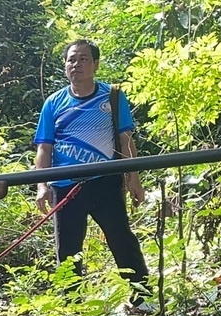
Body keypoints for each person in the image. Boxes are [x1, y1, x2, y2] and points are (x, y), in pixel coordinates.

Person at [35, 39, 149, 299]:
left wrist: (134, 180)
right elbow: (44, 147)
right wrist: (42, 186)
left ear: (95, 64)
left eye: (83, 59)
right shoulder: (53, 103)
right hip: (65, 185)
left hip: (105, 181)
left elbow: (125, 139)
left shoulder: (112, 97)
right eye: (71, 59)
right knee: (68, 248)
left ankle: (142, 297)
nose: (76, 64)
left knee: (121, 239)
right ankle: (72, 304)